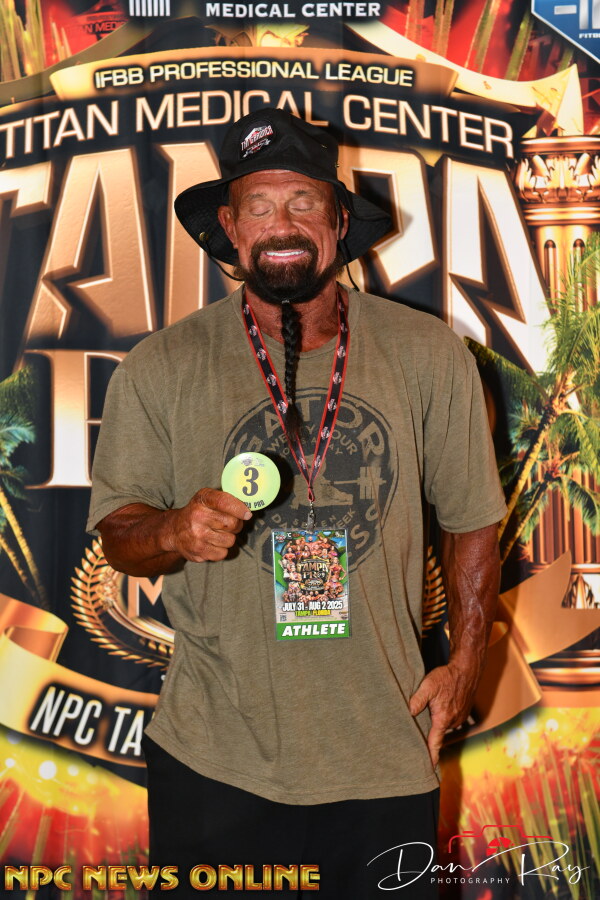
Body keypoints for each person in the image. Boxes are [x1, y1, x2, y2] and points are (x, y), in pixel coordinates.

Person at [87, 108, 506, 897]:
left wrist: (466, 664)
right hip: (215, 762)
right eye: (259, 205)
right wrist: (174, 529)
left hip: (385, 757)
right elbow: (118, 534)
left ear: (340, 220)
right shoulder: (161, 366)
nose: (282, 225)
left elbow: (472, 519)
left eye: (304, 201)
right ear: (229, 228)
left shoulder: (428, 354)